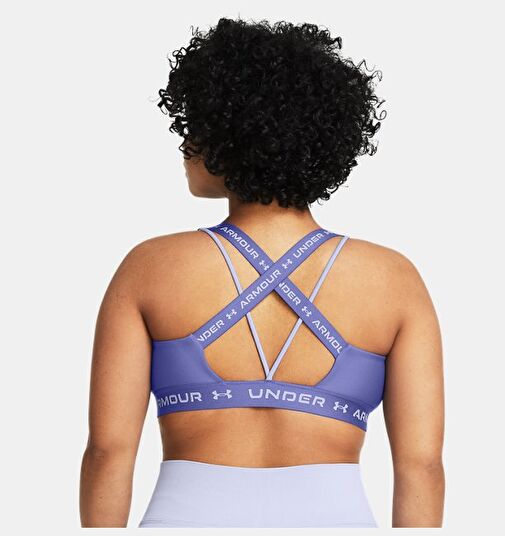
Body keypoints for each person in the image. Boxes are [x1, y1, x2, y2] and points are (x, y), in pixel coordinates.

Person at [79, 17, 445, 528]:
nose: (186, 144)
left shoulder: (150, 267)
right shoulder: (393, 279)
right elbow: (421, 466)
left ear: (233, 134)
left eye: (196, 126)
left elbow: (109, 451)